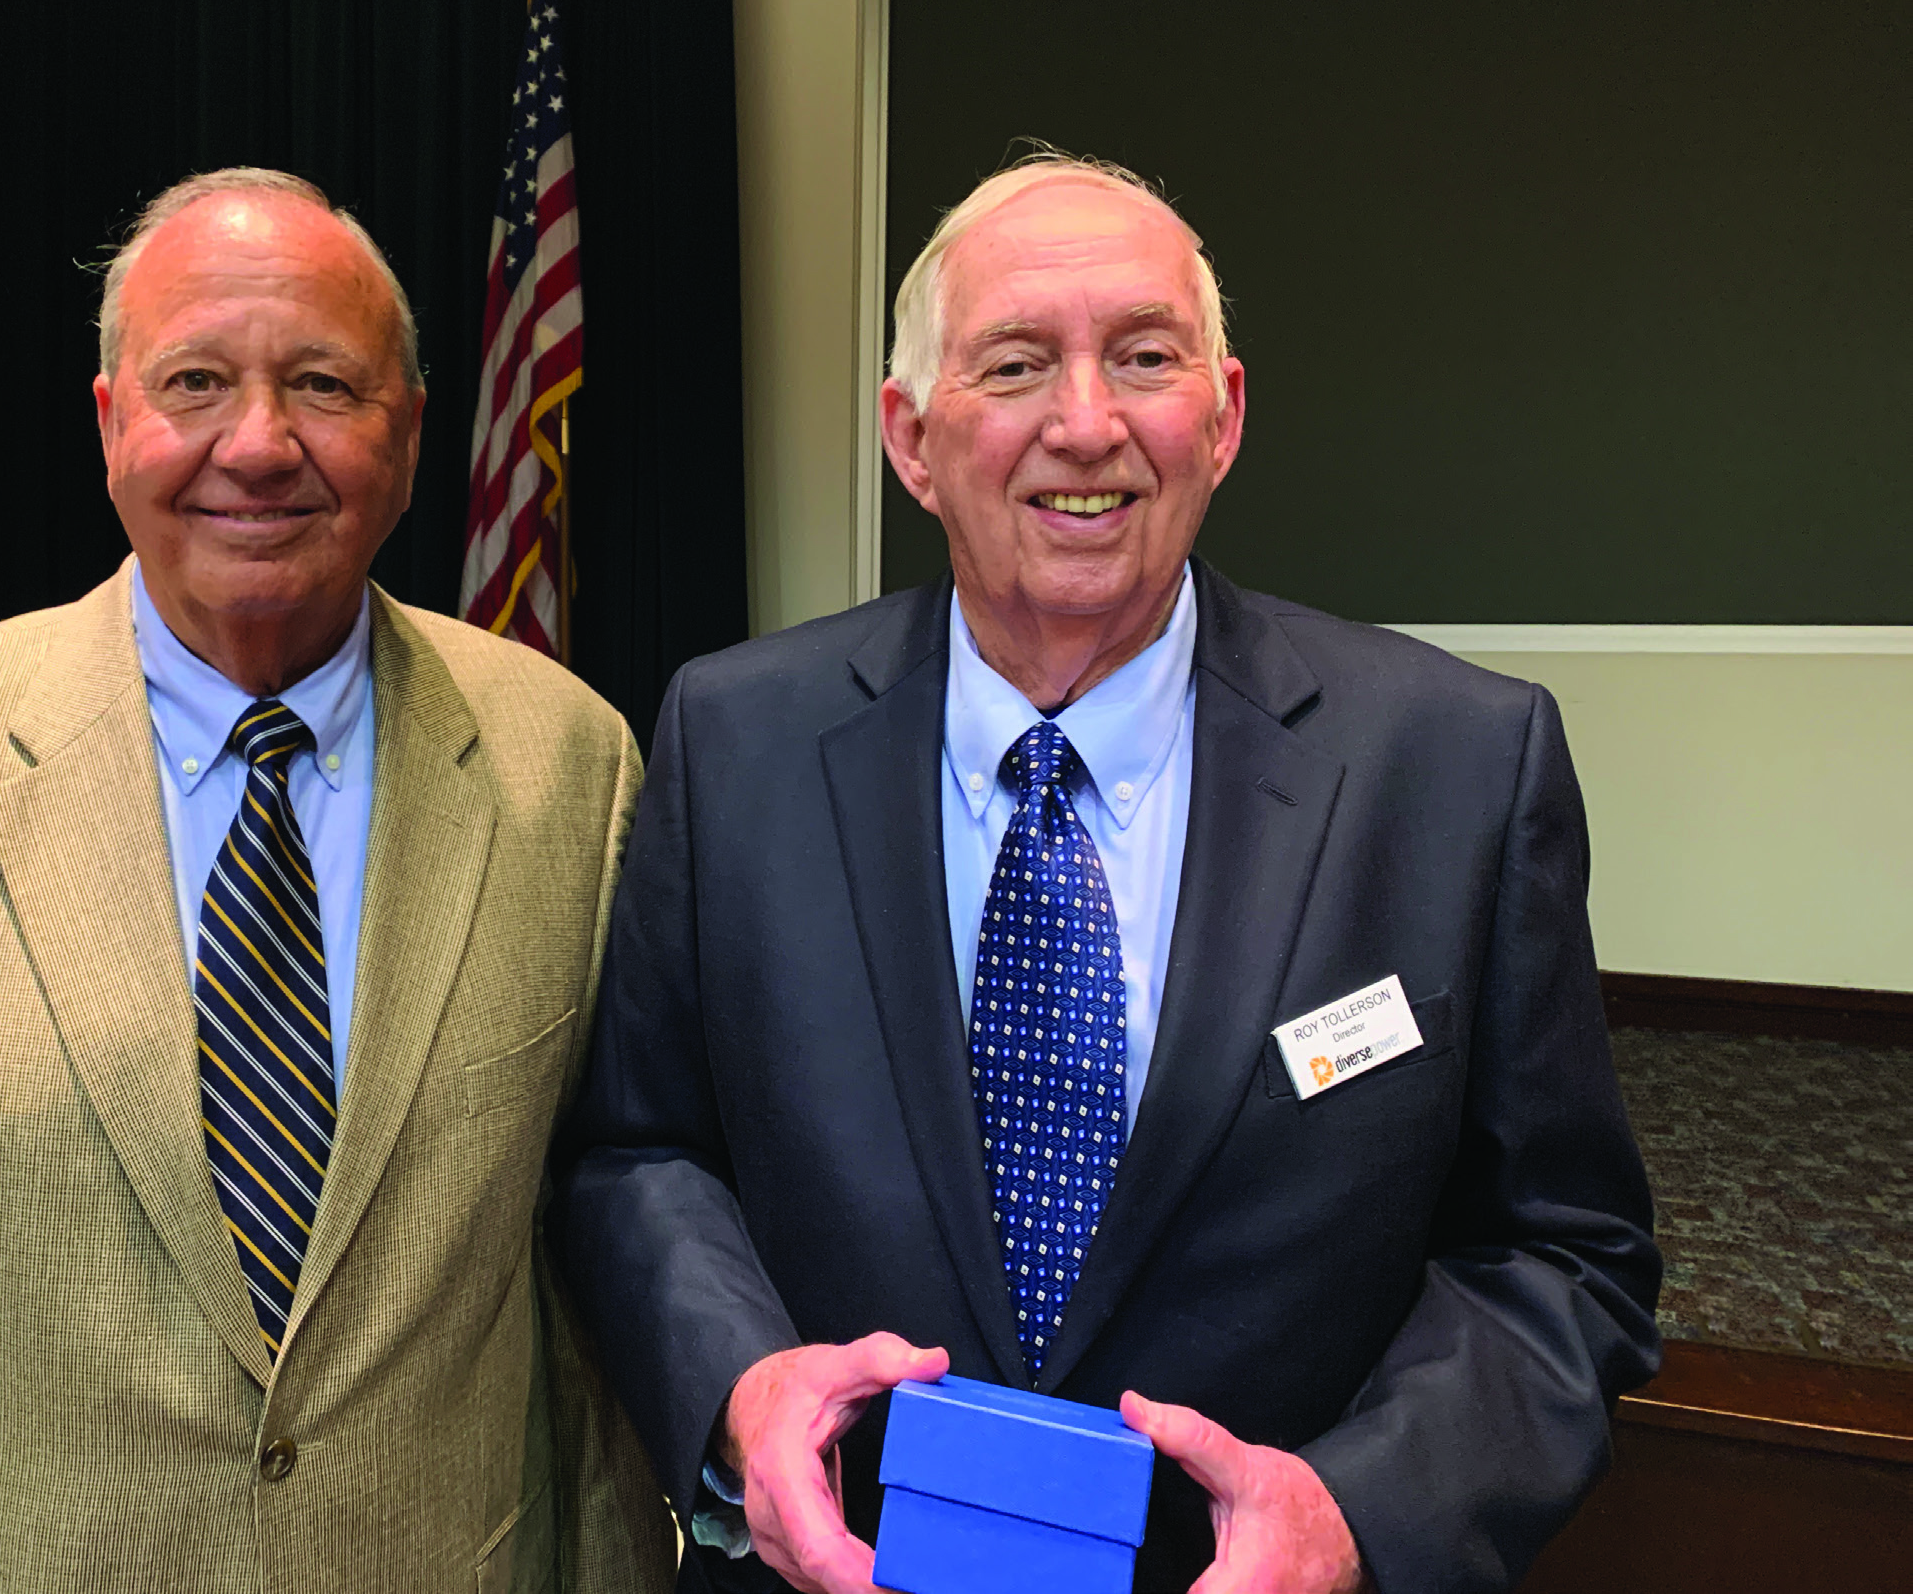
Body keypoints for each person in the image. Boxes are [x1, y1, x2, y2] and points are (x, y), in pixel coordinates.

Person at [557, 154, 1660, 1594]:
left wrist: (1353, 1519)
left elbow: (1559, 1255)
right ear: (910, 438)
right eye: (1015, 365)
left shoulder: (1452, 767)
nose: (1085, 424)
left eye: (1142, 357)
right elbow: (639, 1153)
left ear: (1223, 416)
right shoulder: (735, 737)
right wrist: (738, 1389)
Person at [0, 169, 672, 1593]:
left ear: (411, 435)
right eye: (194, 383)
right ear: (112, 426)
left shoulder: (567, 765)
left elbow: (574, 1311)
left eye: (322, 385)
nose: (258, 443)